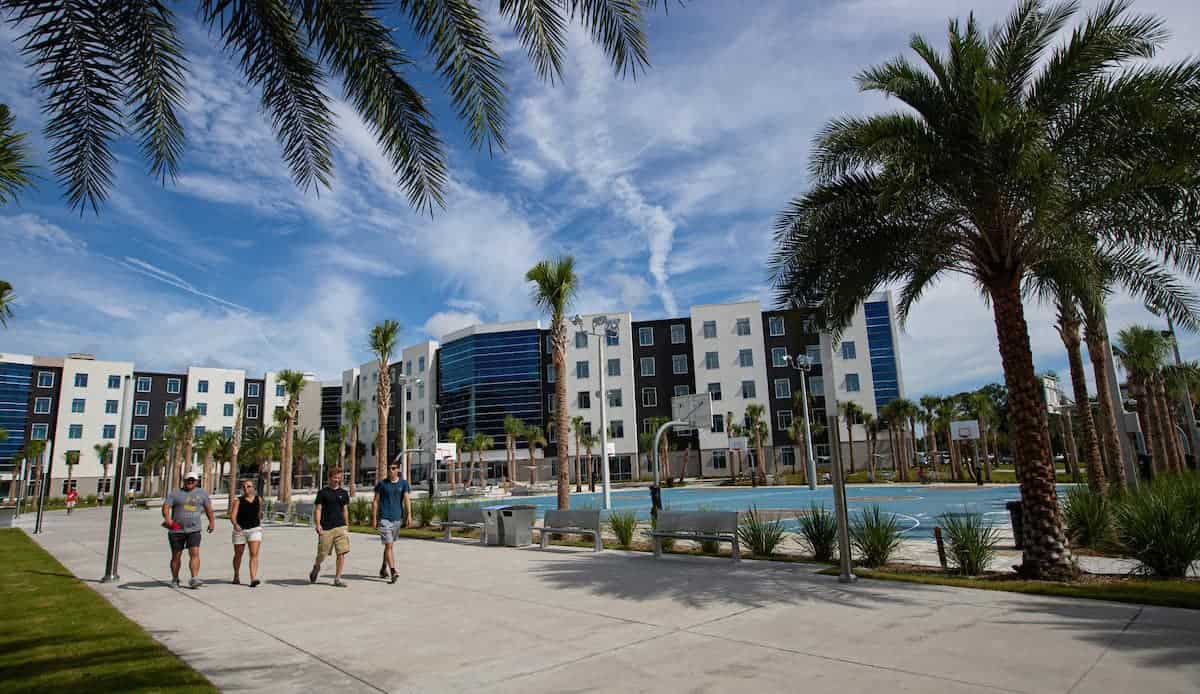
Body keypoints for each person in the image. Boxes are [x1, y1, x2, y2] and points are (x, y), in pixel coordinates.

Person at [163, 471, 215, 589]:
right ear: (184, 481)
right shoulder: (175, 493)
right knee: (176, 555)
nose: (190, 482)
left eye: (193, 480)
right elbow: (166, 507)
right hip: (176, 530)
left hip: (194, 529)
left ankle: (194, 578)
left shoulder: (202, 493)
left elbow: (209, 509)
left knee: (195, 553)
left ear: (197, 482)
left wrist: (211, 522)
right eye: (188, 480)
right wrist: (168, 519)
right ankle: (175, 579)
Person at [309, 467, 350, 587]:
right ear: (330, 478)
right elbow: (318, 509)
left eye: (339, 478)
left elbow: (345, 509)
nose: (337, 480)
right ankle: (316, 566)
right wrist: (318, 524)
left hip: (340, 526)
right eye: (335, 478)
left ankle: (337, 578)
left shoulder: (343, 493)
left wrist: (347, 525)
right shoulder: (323, 493)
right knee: (322, 554)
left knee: (341, 553)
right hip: (326, 528)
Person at [372, 461, 411, 584]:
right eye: (389, 468)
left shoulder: (403, 483)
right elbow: (375, 502)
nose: (390, 470)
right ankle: (393, 571)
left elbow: (407, 499)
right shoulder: (382, 484)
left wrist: (409, 515)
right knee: (389, 545)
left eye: (393, 468)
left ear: (398, 470)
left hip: (397, 519)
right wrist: (374, 518)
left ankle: (384, 567)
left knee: (390, 546)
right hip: (384, 519)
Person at [229, 479, 263, 587]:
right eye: (244, 487)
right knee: (238, 554)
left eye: (248, 486)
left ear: (253, 488)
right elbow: (232, 516)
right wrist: (235, 525)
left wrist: (259, 519)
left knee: (254, 554)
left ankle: (253, 578)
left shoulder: (259, 499)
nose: (246, 488)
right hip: (240, 530)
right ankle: (236, 575)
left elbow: (259, 513)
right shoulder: (238, 501)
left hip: (254, 529)